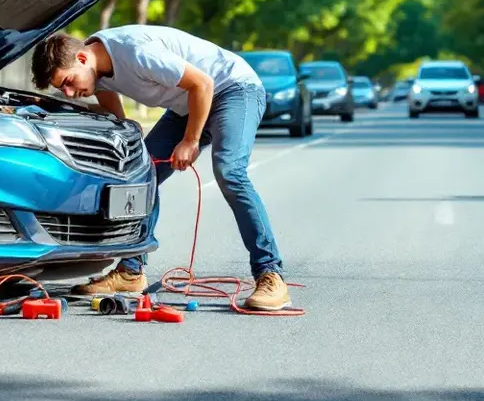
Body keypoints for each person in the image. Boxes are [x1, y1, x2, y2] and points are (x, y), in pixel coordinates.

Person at [30, 24, 291, 311]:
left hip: (233, 88)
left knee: (229, 171)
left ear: (81, 59)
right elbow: (116, 114)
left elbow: (202, 84)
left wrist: (190, 140)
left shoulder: (136, 52)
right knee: (142, 175)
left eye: (68, 82)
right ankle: (131, 271)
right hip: (186, 105)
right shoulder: (97, 73)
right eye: (61, 89)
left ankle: (271, 274)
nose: (68, 92)